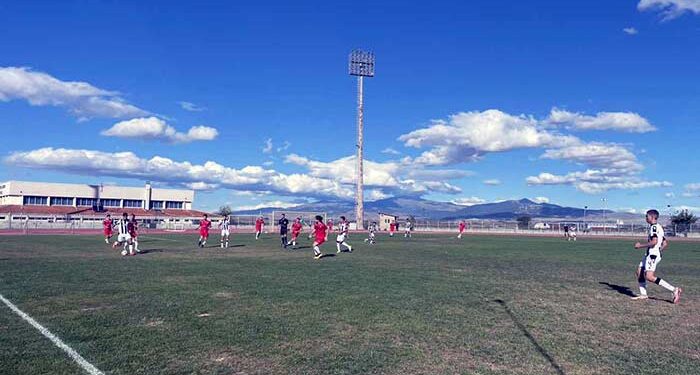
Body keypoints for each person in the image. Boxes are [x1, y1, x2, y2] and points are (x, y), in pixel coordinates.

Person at [631, 209, 682, 304]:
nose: (646, 218)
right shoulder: (659, 227)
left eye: (647, 216)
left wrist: (640, 246)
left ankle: (674, 289)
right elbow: (665, 243)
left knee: (649, 276)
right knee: (639, 272)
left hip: (652, 254)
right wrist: (658, 251)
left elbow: (654, 242)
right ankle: (643, 294)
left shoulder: (653, 228)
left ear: (652, 217)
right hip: (651, 254)